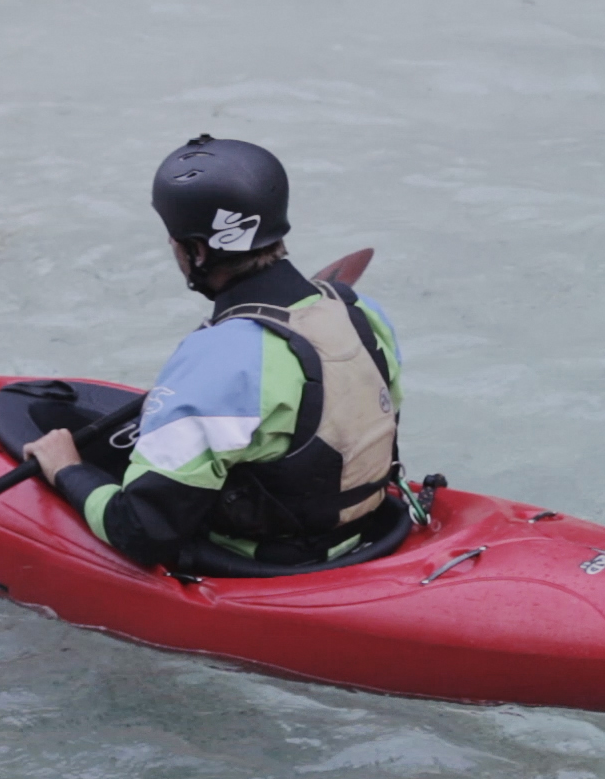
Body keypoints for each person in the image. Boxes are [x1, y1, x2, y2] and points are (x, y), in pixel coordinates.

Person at [22, 135, 403, 571]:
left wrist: (67, 469)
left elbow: (142, 530)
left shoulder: (219, 361)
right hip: (364, 530)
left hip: (266, 561)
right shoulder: (358, 311)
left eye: (174, 240)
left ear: (198, 251)